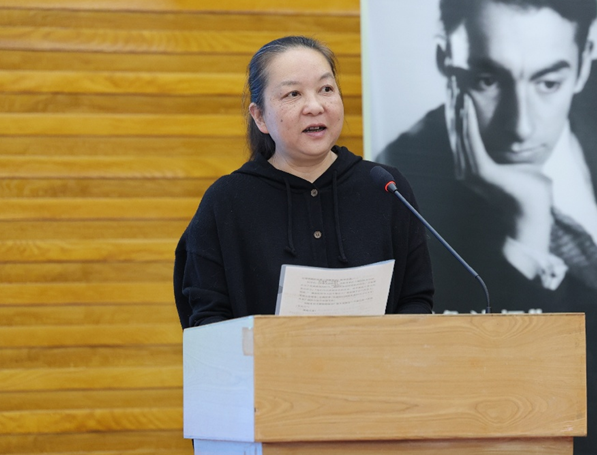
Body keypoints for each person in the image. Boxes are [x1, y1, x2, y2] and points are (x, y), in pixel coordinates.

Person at [376, 0, 597, 455]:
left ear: (586, 58)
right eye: (488, 81)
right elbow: (478, 393)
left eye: (548, 83)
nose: (521, 127)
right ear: (446, 59)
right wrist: (527, 236)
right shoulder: (401, 185)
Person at [175, 36, 434, 328]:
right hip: (263, 360)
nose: (314, 106)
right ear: (260, 117)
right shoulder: (226, 201)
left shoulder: (385, 188)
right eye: (293, 94)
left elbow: (416, 300)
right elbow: (206, 321)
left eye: (326, 89)